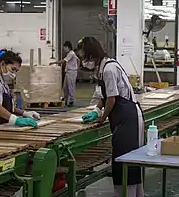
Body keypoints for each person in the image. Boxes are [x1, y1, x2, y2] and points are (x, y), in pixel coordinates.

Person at [78, 37, 144, 197]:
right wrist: (96, 110)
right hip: (122, 117)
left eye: (84, 56)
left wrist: (101, 118)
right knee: (126, 158)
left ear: (91, 54)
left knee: (126, 160)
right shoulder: (104, 66)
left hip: (128, 117)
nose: (84, 61)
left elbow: (112, 99)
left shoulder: (108, 69)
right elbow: (106, 95)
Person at [51, 41, 80, 107]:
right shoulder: (71, 53)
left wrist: (54, 63)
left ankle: (71, 100)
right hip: (68, 72)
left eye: (64, 48)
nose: (64, 49)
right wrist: (77, 66)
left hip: (72, 72)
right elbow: (78, 60)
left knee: (70, 86)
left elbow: (64, 61)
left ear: (68, 47)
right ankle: (66, 99)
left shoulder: (71, 54)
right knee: (65, 86)